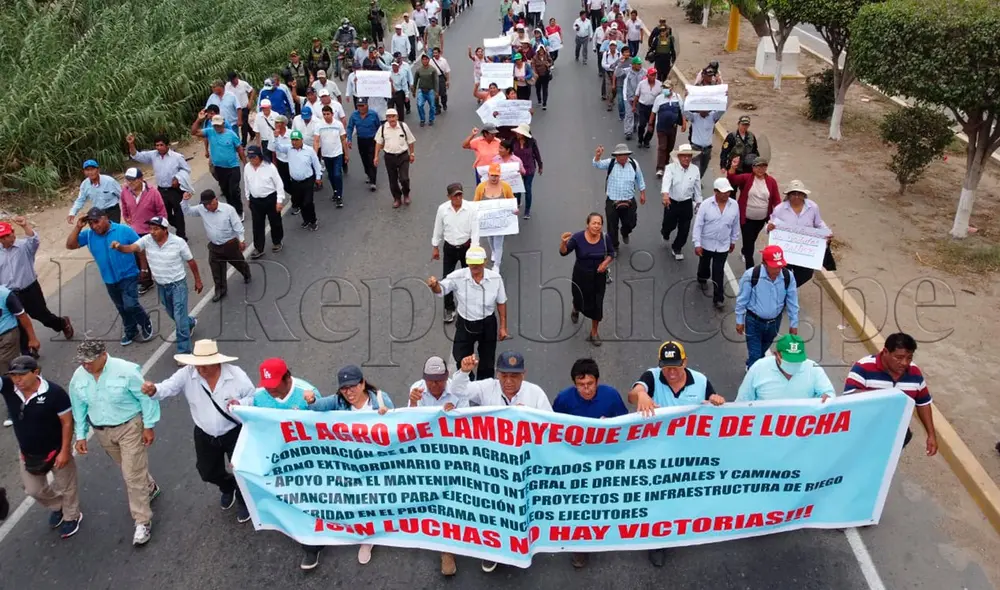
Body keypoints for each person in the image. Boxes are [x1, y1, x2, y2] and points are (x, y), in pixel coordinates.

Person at [229, 358, 327, 570]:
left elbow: (322, 424)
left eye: (274, 385)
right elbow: (251, 417)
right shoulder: (260, 396)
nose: (270, 390)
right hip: (279, 458)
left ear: (287, 378)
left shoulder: (307, 394)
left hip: (307, 458)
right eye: (267, 386)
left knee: (308, 497)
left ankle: (312, 545)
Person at [141, 340, 254, 523]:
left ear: (216, 362)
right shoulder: (188, 373)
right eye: (197, 365)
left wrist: (240, 404)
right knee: (207, 472)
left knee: (242, 470)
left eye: (204, 366)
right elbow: (168, 387)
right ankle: (228, 486)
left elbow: (252, 396)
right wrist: (154, 389)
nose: (199, 370)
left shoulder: (236, 375)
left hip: (234, 432)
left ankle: (243, 499)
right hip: (204, 433)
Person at [69, 340, 161, 546]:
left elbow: (146, 398)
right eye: (82, 362)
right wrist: (81, 435)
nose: (85, 366)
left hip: (129, 427)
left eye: (89, 361)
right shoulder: (79, 377)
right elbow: (79, 406)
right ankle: (149, 486)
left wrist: (149, 425)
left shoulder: (126, 370)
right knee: (129, 468)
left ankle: (142, 521)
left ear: (103, 355)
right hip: (103, 432)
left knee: (131, 475)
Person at [1, 356, 81, 538]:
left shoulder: (55, 393)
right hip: (28, 453)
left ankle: (72, 515)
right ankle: (58, 505)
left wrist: (64, 451)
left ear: (36, 372)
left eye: (21, 375)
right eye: (13, 375)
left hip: (55, 450)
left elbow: (67, 422)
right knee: (33, 490)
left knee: (67, 486)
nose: (17, 380)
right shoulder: (9, 387)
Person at [111, 217, 201, 354]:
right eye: (151, 228)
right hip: (162, 286)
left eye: (156, 229)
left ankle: (184, 351)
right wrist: (119, 247)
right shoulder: (147, 240)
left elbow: (191, 261)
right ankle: (189, 322)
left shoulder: (178, 242)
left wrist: (198, 280)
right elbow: (131, 248)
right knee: (173, 314)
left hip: (178, 285)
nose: (152, 232)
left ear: (165, 230)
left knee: (179, 318)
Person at [65, 208, 153, 346]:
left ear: (105, 218)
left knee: (130, 304)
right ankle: (131, 330)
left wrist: (144, 268)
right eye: (91, 223)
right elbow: (70, 245)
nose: (94, 226)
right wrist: (78, 227)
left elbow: (140, 247)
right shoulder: (89, 235)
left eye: (96, 222)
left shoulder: (123, 230)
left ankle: (145, 322)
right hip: (109, 279)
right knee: (121, 307)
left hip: (128, 275)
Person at [844, 333, 937, 455]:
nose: (904, 363)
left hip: (895, 434)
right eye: (899, 357)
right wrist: (884, 397)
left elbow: (923, 403)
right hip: (863, 433)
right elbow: (849, 399)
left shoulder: (915, 373)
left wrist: (931, 435)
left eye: (909, 358)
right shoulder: (863, 367)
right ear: (886, 352)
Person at [427, 246, 508, 380]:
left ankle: (483, 387)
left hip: (487, 323)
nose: (474, 266)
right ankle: (467, 383)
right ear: (467, 262)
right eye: (472, 263)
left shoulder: (495, 278)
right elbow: (441, 290)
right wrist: (434, 285)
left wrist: (503, 326)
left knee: (487, 360)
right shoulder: (457, 276)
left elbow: (501, 302)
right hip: (465, 323)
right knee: (460, 357)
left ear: (485, 262)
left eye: (478, 263)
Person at [0, 218, 73, 354]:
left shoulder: (23, 247)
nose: (5, 240)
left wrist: (25, 226)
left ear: (13, 233)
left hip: (29, 289)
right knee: (18, 324)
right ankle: (28, 353)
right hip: (10, 294)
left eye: (7, 235)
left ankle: (62, 323)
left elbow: (34, 240)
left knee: (42, 315)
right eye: (2, 238)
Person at [734, 244, 799, 369]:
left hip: (774, 323)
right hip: (753, 322)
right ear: (764, 263)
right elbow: (742, 300)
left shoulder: (788, 277)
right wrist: (739, 320)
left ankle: (753, 363)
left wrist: (794, 324)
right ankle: (753, 375)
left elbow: (792, 302)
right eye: (774, 267)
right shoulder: (751, 275)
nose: (778, 270)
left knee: (761, 351)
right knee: (755, 354)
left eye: (780, 266)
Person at [181, 190, 251, 303]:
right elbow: (187, 211)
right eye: (205, 204)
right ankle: (220, 290)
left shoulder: (228, 210)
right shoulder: (201, 209)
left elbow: (237, 225)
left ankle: (246, 273)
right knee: (216, 270)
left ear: (215, 199)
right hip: (214, 246)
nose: (207, 206)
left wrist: (242, 240)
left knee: (239, 263)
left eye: (209, 203)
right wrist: (185, 200)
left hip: (230, 244)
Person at [560, 213, 614, 346]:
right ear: (587, 224)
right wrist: (563, 243)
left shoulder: (605, 238)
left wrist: (604, 264)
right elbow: (563, 252)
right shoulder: (578, 238)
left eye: (599, 223)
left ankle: (594, 333)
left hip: (598, 277)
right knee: (579, 299)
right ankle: (576, 308)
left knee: (597, 304)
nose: (596, 226)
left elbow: (611, 254)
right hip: (580, 276)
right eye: (593, 223)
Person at [767, 180, 831, 288]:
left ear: (804, 195)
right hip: (785, 251)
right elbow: (771, 224)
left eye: (799, 194)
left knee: (806, 274)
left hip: (804, 251)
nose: (796, 197)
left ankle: (788, 289)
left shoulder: (813, 207)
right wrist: (769, 227)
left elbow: (818, 223)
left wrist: (827, 232)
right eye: (793, 194)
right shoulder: (780, 209)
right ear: (788, 195)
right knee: (783, 274)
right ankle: (782, 294)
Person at [126, 133, 191, 240]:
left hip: (174, 190)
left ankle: (181, 236)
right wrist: (131, 144)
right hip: (161, 190)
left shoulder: (177, 157)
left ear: (167, 145)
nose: (159, 148)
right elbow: (136, 155)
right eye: (157, 145)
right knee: (166, 215)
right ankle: (172, 229)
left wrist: (178, 178)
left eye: (161, 145)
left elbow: (186, 170)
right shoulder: (153, 155)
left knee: (178, 213)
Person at [432, 183, 479, 324]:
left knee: (470, 277)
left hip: (467, 247)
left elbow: (475, 231)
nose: (458, 198)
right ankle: (449, 308)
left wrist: (474, 252)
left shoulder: (471, 209)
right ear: (449, 197)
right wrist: (435, 246)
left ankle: (470, 307)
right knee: (447, 278)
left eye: (460, 195)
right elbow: (438, 228)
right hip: (450, 248)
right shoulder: (442, 210)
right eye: (455, 195)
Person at [737, 334, 835, 402]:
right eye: (789, 360)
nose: (794, 364)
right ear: (776, 355)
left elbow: (828, 393)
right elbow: (742, 401)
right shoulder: (758, 368)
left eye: (798, 360)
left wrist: (827, 398)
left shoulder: (813, 369)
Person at [726, 155, 781, 270]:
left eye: (763, 167)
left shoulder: (771, 182)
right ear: (753, 168)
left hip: (761, 219)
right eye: (758, 167)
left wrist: (779, 217)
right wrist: (733, 167)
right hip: (746, 218)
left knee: (752, 239)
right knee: (749, 243)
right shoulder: (746, 178)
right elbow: (732, 179)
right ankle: (750, 271)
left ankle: (744, 250)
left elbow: (776, 200)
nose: (761, 169)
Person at [692, 177, 740, 309]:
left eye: (728, 192)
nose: (726, 194)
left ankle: (718, 298)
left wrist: (733, 240)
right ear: (715, 192)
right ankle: (702, 277)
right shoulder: (706, 205)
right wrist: (697, 243)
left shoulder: (734, 205)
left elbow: (735, 224)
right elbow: (698, 225)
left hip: (723, 245)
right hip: (706, 244)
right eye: (723, 192)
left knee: (718, 271)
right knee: (704, 265)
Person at [191, 111, 246, 218]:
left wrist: (245, 164)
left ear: (223, 123)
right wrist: (199, 119)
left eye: (219, 124)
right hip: (220, 169)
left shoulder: (231, 134)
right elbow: (194, 132)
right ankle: (231, 210)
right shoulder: (210, 132)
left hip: (233, 167)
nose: (217, 127)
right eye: (215, 125)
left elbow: (239, 149)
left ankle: (239, 211)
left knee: (234, 191)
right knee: (226, 191)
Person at [120, 167, 166, 295]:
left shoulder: (153, 192)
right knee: (139, 256)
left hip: (151, 230)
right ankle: (146, 281)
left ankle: (162, 277)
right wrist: (127, 217)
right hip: (135, 230)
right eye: (128, 180)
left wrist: (162, 228)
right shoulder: (125, 191)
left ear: (141, 179)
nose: (130, 183)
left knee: (153, 255)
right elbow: (124, 205)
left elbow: (161, 211)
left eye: (133, 180)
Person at [592, 143, 646, 251]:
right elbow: (597, 164)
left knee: (631, 222)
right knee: (612, 226)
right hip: (612, 200)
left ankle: (625, 232)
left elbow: (640, 178)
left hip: (629, 200)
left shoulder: (633, 164)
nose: (623, 157)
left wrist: (642, 193)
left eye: (625, 155)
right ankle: (614, 247)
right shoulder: (610, 163)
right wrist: (598, 156)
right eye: (621, 155)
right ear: (616, 156)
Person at [659, 144, 702, 261]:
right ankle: (665, 232)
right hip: (672, 202)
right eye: (684, 156)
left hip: (686, 203)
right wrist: (665, 195)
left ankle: (677, 248)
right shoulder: (670, 168)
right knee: (669, 225)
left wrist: (699, 202)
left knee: (685, 228)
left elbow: (697, 188)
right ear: (679, 156)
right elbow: (666, 182)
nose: (686, 158)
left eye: (689, 156)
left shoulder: (695, 170)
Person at [242, 145, 287, 257]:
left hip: (270, 199)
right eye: (250, 157)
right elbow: (246, 183)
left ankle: (277, 242)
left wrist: (279, 201)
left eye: (254, 157)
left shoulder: (270, 167)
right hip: (255, 201)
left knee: (275, 222)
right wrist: (248, 198)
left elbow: (279, 184)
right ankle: (259, 248)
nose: (252, 160)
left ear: (260, 156)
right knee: (257, 225)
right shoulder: (247, 167)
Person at [474, 163, 516, 272]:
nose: (494, 178)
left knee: (498, 243)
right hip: (487, 222)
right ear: (488, 175)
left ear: (500, 176)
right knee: (490, 239)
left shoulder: (505, 187)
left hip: (500, 222)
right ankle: (493, 251)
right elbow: (475, 202)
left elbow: (511, 201)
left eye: (496, 175)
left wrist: (514, 210)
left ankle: (497, 265)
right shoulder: (481, 187)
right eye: (492, 175)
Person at [279, 131, 322, 231]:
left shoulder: (309, 150)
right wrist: (276, 137)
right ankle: (306, 220)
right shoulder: (289, 149)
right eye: (292, 140)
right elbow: (278, 148)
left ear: (301, 140)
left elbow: (316, 164)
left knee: (308, 202)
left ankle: (313, 220)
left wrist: (318, 177)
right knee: (300, 202)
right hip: (295, 182)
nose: (294, 142)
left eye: (296, 140)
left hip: (307, 181)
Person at [373, 109, 417, 208]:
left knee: (404, 178)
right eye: (389, 117)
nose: (391, 119)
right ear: (386, 118)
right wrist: (376, 156)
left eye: (393, 116)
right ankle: (397, 198)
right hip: (389, 157)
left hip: (403, 156)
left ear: (397, 117)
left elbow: (410, 141)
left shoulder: (403, 126)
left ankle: (406, 194)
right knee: (392, 180)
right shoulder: (383, 128)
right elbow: (378, 143)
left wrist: (412, 154)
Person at [314, 105, 349, 208]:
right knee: (330, 175)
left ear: (332, 114)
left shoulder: (338, 124)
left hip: (337, 154)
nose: (326, 116)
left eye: (328, 114)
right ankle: (335, 190)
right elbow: (316, 140)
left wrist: (346, 154)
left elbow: (343, 139)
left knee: (337, 174)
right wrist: (315, 155)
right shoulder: (319, 125)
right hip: (326, 155)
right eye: (324, 114)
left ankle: (339, 196)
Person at [67, 160, 121, 225]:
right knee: (99, 232)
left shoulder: (109, 181)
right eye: (87, 170)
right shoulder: (85, 184)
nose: (90, 172)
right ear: (84, 172)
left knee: (113, 232)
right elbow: (80, 200)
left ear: (98, 170)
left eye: (92, 169)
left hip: (112, 211)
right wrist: (72, 212)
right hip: (98, 213)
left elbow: (122, 195)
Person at [650, 80, 685, 174]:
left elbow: (682, 111)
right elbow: (653, 112)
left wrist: (684, 124)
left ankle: (665, 162)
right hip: (661, 127)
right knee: (662, 147)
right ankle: (660, 168)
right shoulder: (659, 99)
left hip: (673, 128)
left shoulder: (677, 97)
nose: (665, 90)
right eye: (664, 88)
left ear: (671, 88)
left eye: (667, 88)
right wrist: (650, 124)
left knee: (670, 147)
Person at [347, 98, 382, 190]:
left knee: (372, 159)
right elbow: (350, 127)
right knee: (364, 159)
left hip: (372, 140)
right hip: (361, 140)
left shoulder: (373, 114)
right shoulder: (354, 115)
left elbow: (379, 127)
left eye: (362, 105)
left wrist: (380, 140)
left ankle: (373, 181)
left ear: (367, 105)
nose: (360, 108)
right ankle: (368, 174)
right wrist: (349, 139)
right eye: (359, 106)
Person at [510, 124, 542, 219]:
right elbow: (508, 152)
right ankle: (518, 202)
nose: (517, 134)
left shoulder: (532, 142)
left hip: (529, 168)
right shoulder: (513, 141)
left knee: (527, 189)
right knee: (517, 189)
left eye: (519, 132)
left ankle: (527, 211)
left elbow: (537, 154)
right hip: (517, 168)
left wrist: (540, 166)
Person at [682, 108, 724, 178]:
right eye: (702, 109)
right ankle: (694, 183)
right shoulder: (694, 117)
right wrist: (687, 100)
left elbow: (722, 110)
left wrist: (725, 98)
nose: (703, 110)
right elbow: (684, 111)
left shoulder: (713, 117)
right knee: (696, 169)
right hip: (695, 148)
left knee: (703, 169)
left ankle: (696, 181)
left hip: (707, 149)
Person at [633, 68, 659, 149]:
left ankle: (647, 140)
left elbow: (661, 97)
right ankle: (640, 140)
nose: (653, 77)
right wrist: (634, 106)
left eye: (655, 75)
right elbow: (637, 95)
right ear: (647, 75)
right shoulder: (641, 84)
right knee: (642, 125)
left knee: (651, 126)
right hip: (643, 107)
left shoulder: (659, 85)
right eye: (651, 75)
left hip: (653, 108)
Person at [412, 54, 439, 127]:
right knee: (419, 105)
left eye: (426, 59)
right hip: (421, 90)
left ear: (428, 60)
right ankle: (422, 119)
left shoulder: (433, 70)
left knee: (432, 106)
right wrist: (414, 91)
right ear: (421, 61)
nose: (424, 61)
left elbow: (436, 81)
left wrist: (436, 91)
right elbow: (415, 81)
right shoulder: (419, 70)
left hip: (430, 90)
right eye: (423, 59)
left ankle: (431, 119)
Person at [429, 46, 451, 114]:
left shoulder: (443, 60)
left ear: (439, 53)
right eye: (434, 53)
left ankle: (444, 103)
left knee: (443, 93)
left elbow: (447, 71)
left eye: (436, 53)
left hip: (441, 77)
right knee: (435, 94)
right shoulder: (431, 61)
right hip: (434, 78)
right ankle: (437, 108)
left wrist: (447, 81)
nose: (435, 54)